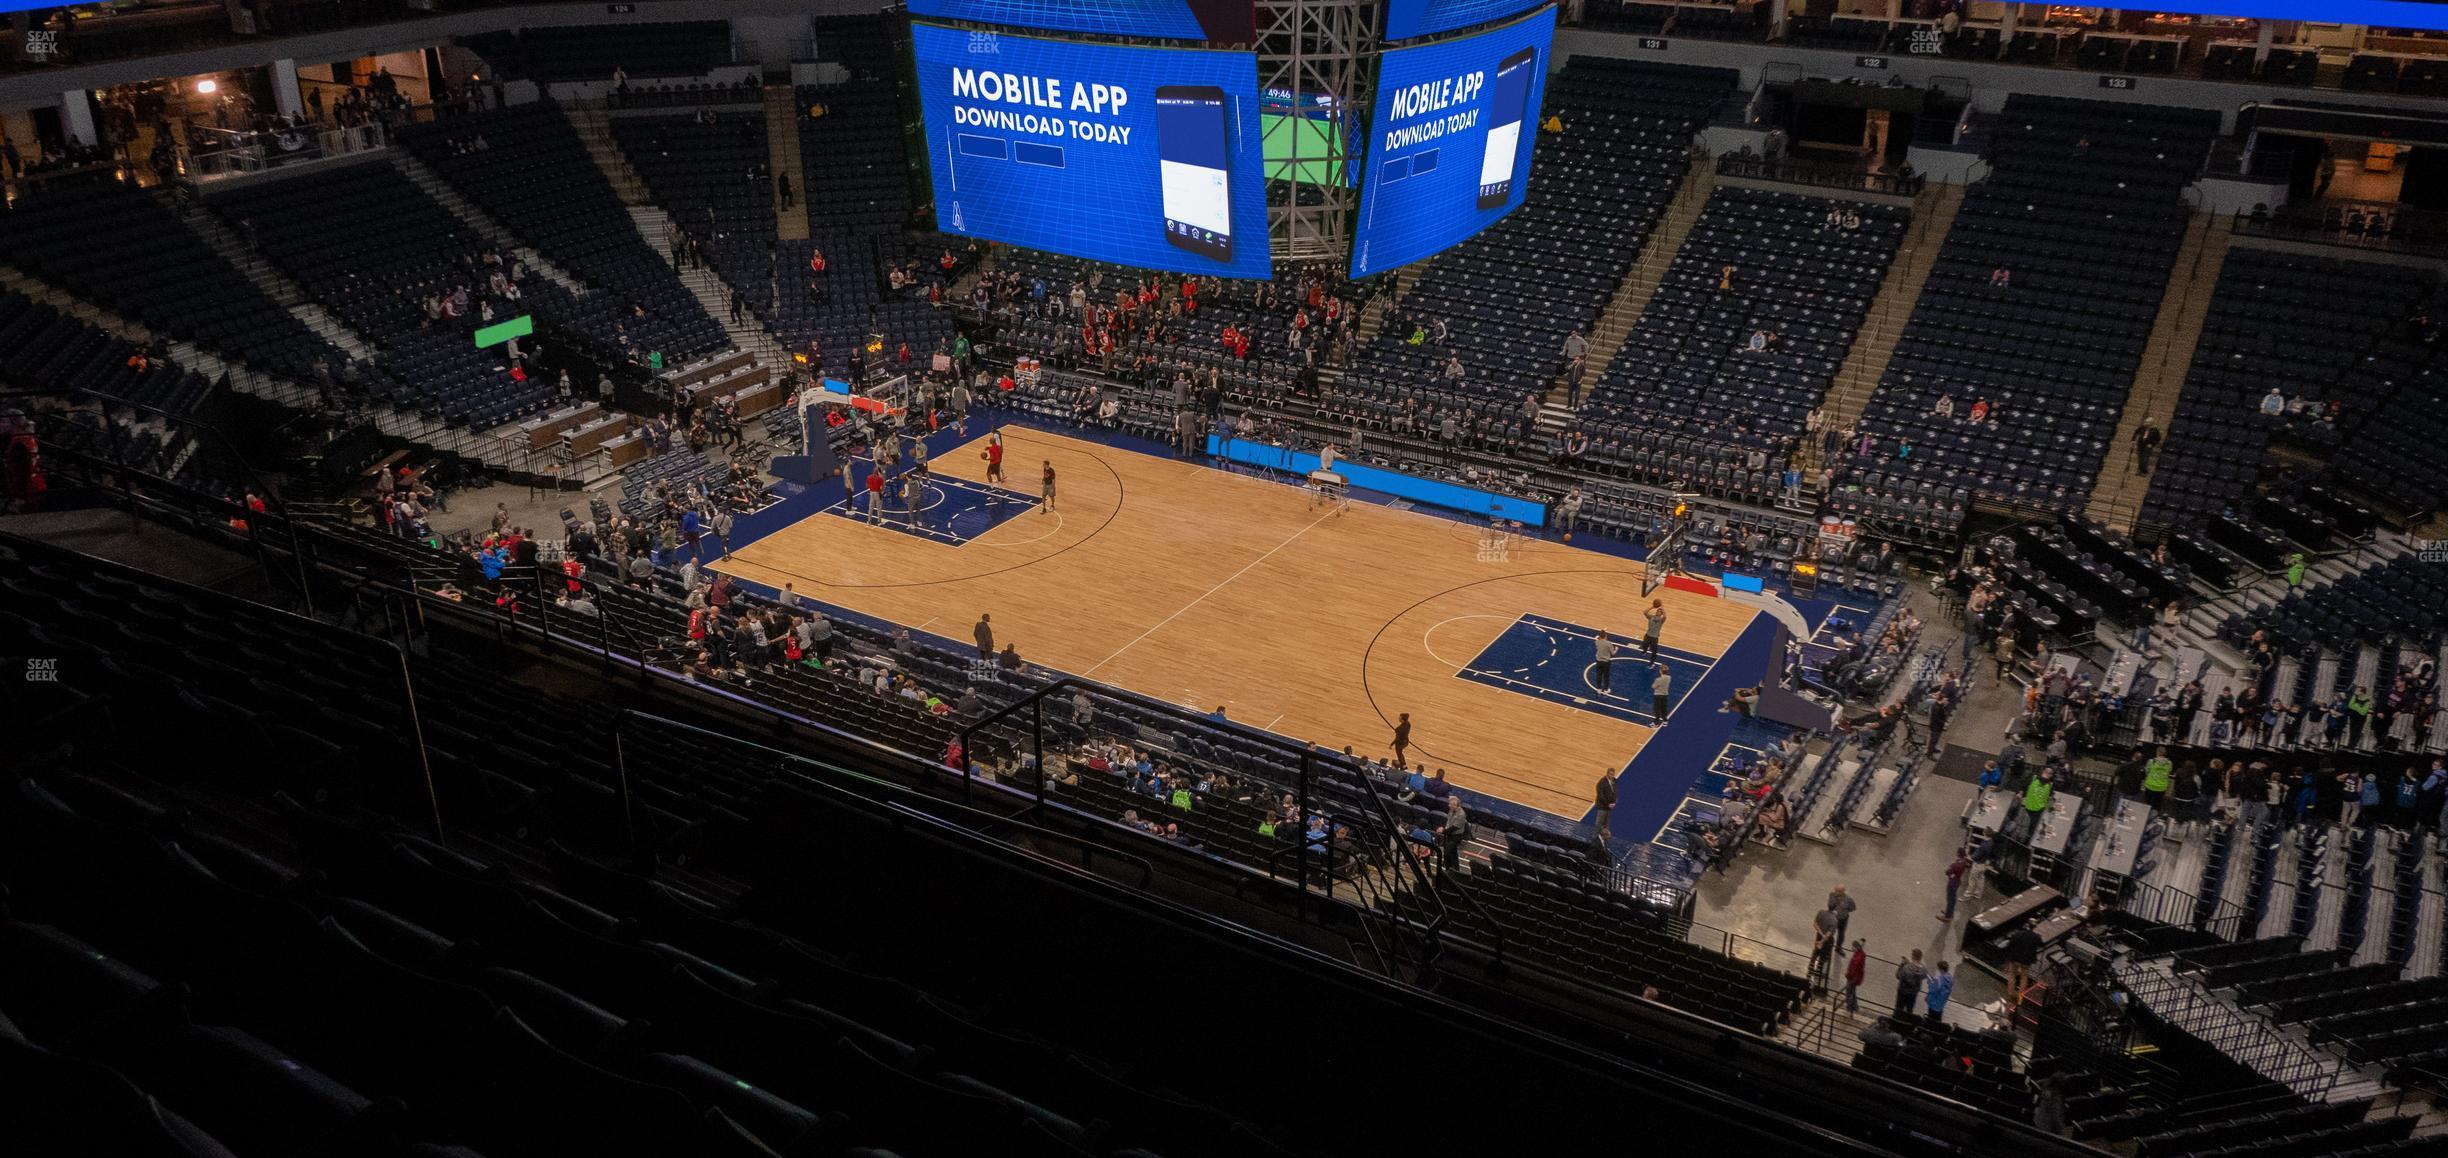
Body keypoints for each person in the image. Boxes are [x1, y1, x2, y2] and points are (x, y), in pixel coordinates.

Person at [1437, 794, 1470, 870]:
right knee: (1453, 853)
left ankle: (1448, 869)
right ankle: (1456, 869)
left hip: (1456, 836)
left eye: (1450, 805)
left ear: (1456, 806)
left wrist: (1443, 831)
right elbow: (1448, 821)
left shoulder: (1461, 815)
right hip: (1449, 834)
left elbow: (1453, 828)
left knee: (1447, 853)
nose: (1449, 806)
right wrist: (1443, 827)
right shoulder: (1452, 810)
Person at [1941, 848, 1972, 921]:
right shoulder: (1964, 862)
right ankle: (1950, 912)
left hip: (1952, 883)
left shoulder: (1956, 865)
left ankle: (1948, 916)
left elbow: (1947, 871)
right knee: (1953, 898)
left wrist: (1950, 875)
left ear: (1958, 854)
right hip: (1957, 881)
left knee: (1950, 899)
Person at [1894, 949, 1926, 1017]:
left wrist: (1902, 964)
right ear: (1920, 957)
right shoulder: (1923, 969)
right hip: (1913, 993)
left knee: (1899, 1009)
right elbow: (1924, 975)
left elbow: (1898, 975)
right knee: (1909, 1010)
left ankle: (1896, 1022)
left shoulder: (1906, 967)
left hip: (1902, 991)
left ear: (1913, 956)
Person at [1843, 940, 1867, 1013]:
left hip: (1853, 978)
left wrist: (1848, 975)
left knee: (1849, 992)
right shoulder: (1859, 954)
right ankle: (1855, 1007)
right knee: (1852, 992)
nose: (1851, 948)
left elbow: (1854, 968)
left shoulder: (1858, 957)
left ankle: (1849, 1008)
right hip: (1856, 977)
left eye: (1853, 946)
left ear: (1856, 947)